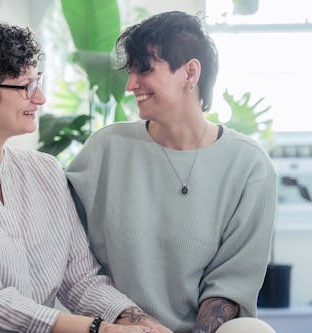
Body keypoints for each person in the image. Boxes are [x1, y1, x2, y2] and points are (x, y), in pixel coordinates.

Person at [0, 21, 172, 333]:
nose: (40, 99)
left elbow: (80, 280)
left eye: (37, 83)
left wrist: (141, 322)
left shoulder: (45, 171)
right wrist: (100, 330)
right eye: (27, 87)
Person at [66, 11, 277, 333]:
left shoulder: (249, 165)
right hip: (118, 326)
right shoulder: (104, 150)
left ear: (190, 72)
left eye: (144, 70)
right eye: (130, 72)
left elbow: (231, 284)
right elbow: (70, 256)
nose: (130, 85)